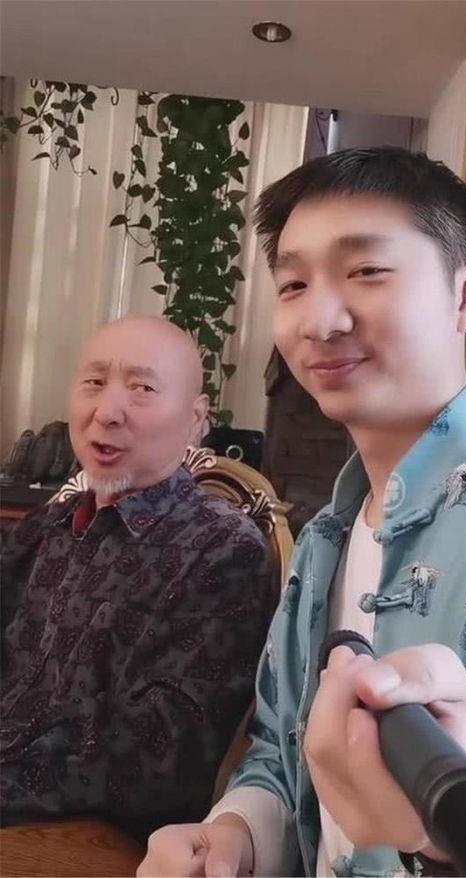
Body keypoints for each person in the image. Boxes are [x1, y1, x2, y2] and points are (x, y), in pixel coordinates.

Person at [137, 147, 466, 877]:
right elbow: (280, 751)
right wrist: (235, 835)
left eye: (367, 271)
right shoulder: (324, 539)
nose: (320, 320)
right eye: (295, 284)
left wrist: (460, 831)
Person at [1, 315, 274, 841]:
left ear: (196, 419)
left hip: (87, 836)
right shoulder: (46, 526)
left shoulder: (221, 549)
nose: (107, 412)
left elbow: (161, 759)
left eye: (142, 388)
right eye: (94, 382)